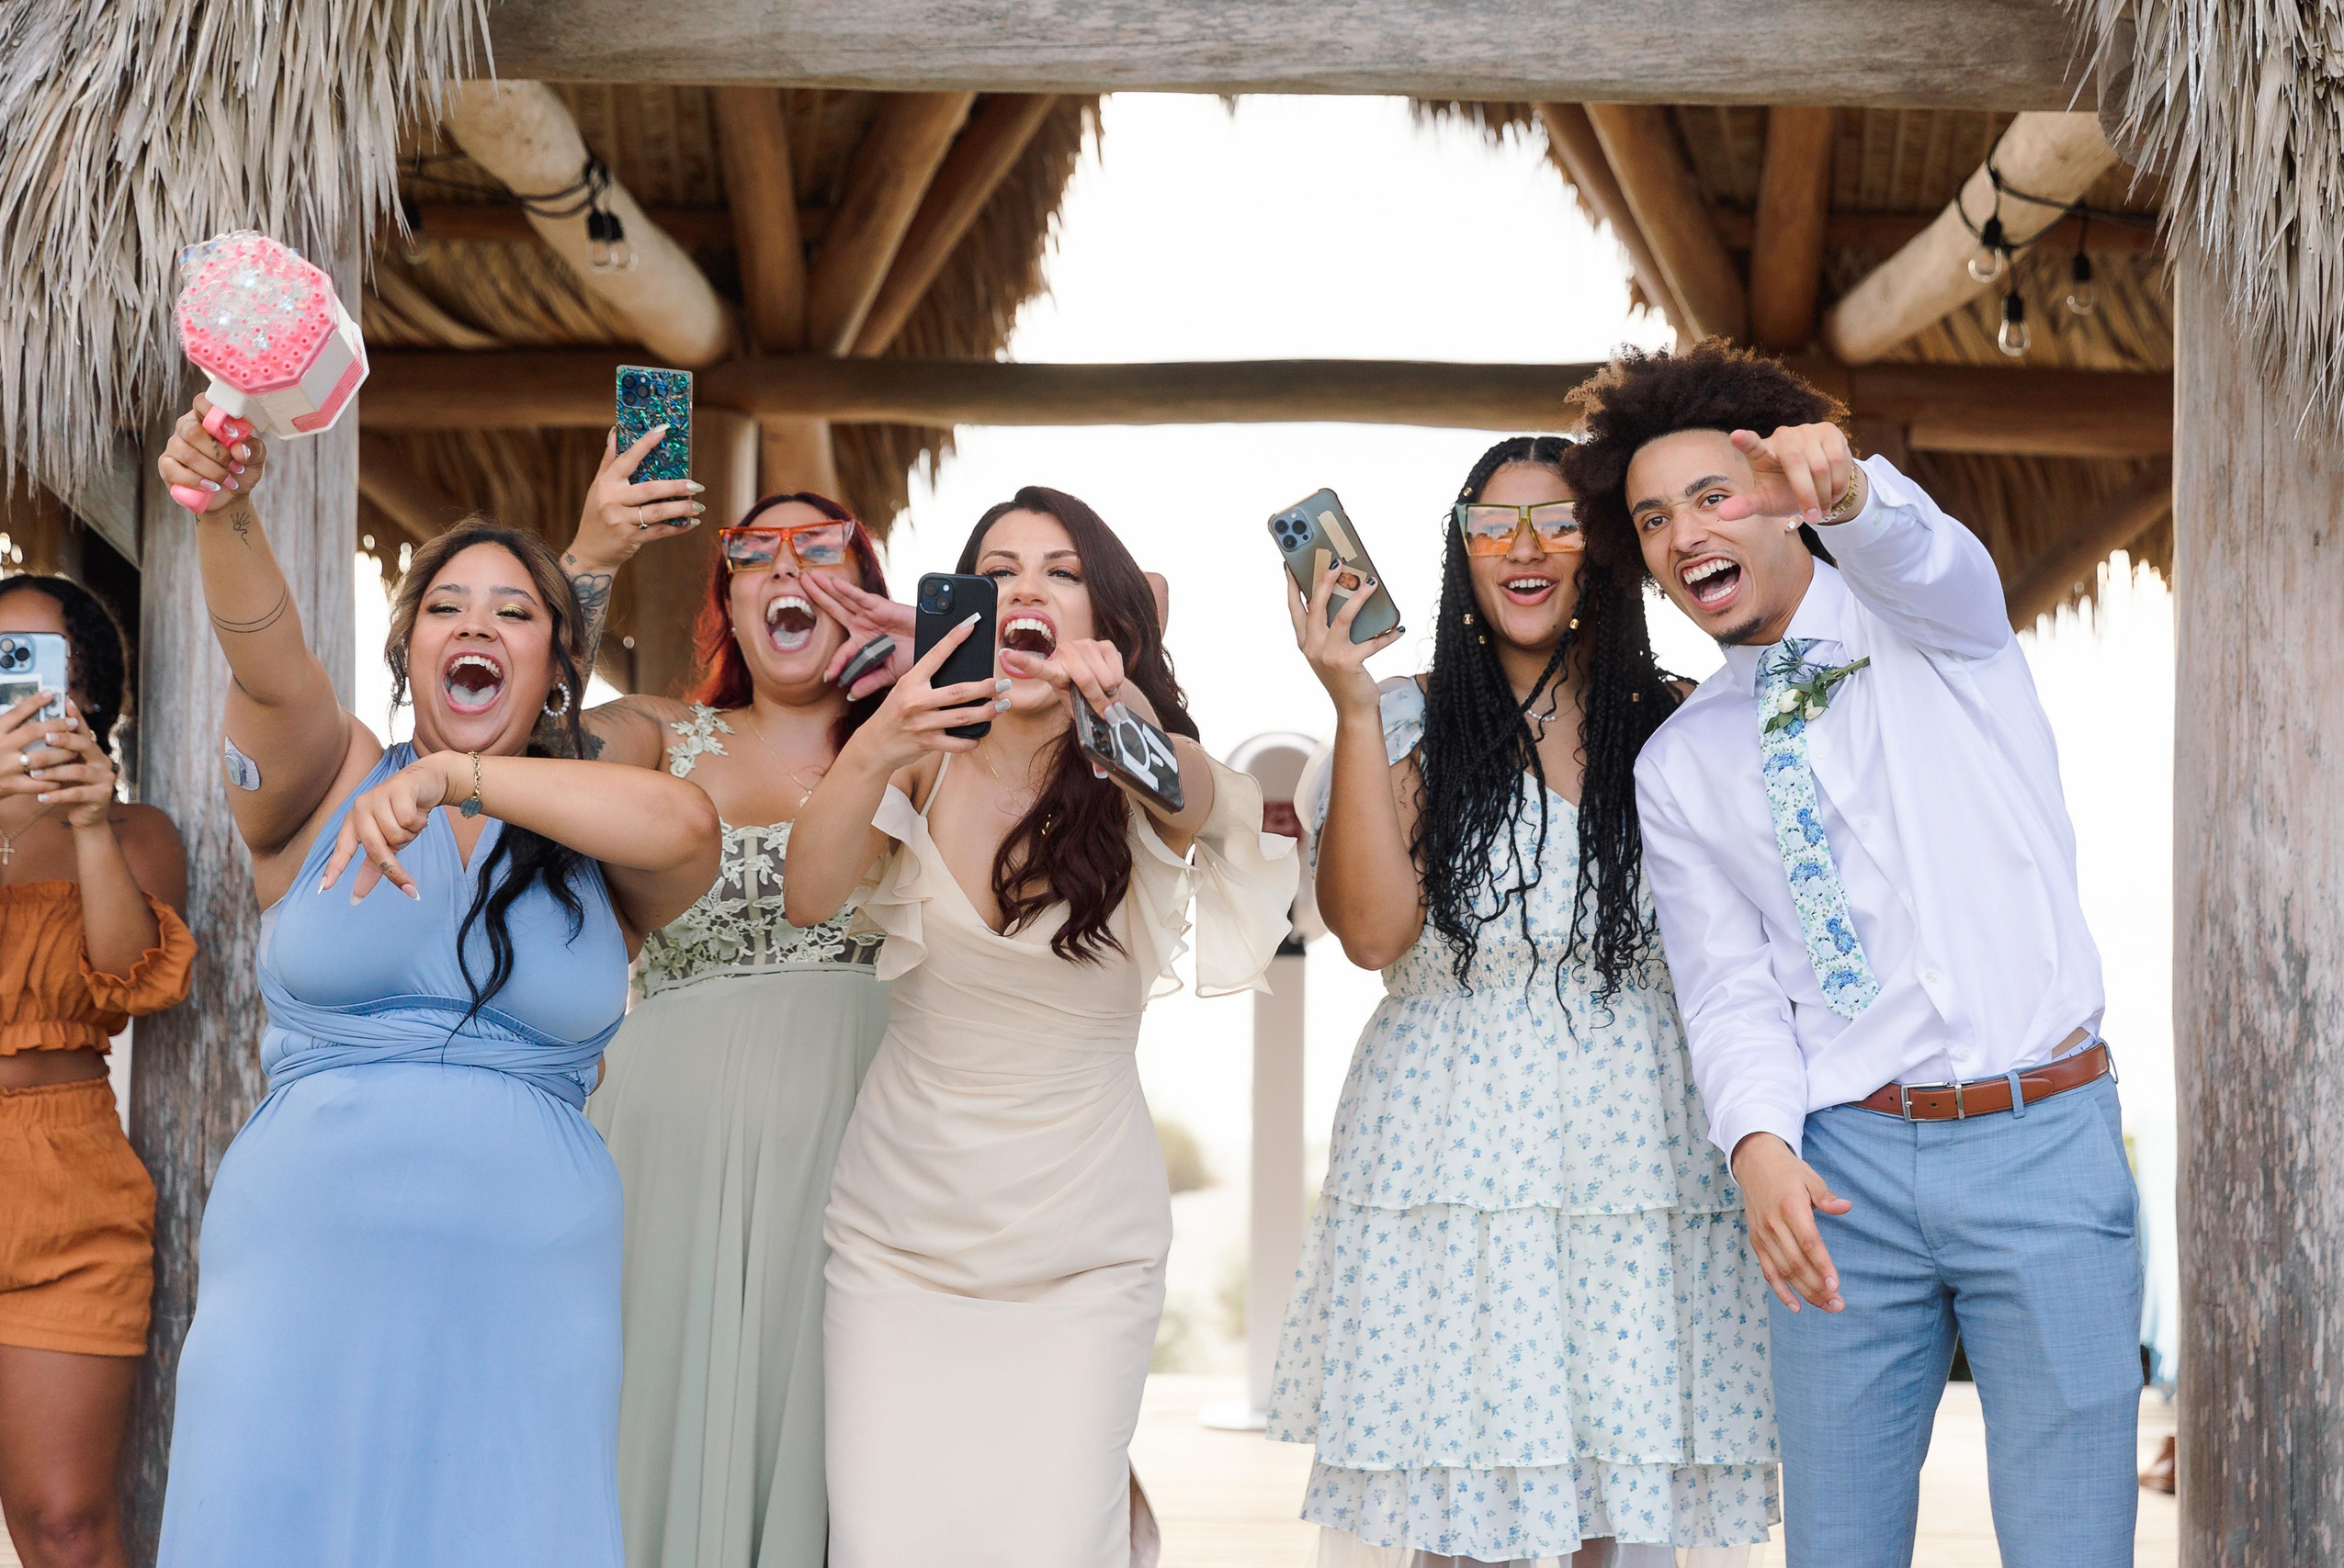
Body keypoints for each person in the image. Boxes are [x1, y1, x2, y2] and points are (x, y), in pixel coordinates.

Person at [1570, 343, 2142, 1566]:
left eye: (1714, 494)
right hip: (1845, 1170)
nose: (1684, 535)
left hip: (2044, 1140)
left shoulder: (1937, 624)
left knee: (2073, 1546)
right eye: (1653, 517)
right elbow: (1729, 988)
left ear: (1782, 488)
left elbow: (1924, 554)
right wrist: (1761, 1143)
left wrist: (1854, 497)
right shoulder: (1679, 766)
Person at [150, 398, 723, 1568]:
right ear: (408, 649)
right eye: (446, 608)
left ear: (561, 666)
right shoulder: (331, 775)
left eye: (517, 613)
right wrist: (225, 505)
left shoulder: (590, 823)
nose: (478, 626)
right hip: (304, 1252)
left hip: (528, 1273)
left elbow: (687, 827)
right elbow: (266, 655)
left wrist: (466, 778)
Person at [1263, 438, 1780, 1568]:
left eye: (1557, 522)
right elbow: (1371, 933)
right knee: (1456, 1508)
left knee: (1608, 1506)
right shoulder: (1403, 722)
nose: (1526, 548)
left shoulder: (1682, 719)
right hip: (1452, 1147)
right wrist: (1349, 702)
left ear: (1601, 548)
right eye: (1494, 524)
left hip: (1634, 1155)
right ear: (1461, 547)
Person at [784, 486, 1298, 1568]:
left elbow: (1204, 799)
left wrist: (1117, 712)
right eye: (999, 567)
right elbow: (809, 893)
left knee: (1058, 1540)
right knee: (887, 1544)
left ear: (1101, 619)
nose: (1026, 585)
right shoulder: (917, 755)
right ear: (966, 606)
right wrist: (880, 734)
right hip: (895, 1243)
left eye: (1061, 571)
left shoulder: (1137, 768)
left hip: (1082, 1250)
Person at [551, 428, 905, 1568]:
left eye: (824, 548)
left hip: (875, 1131)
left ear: (872, 593)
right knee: (661, 1408)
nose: (792, 569)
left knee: (856, 1428)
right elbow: (528, 733)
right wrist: (592, 554)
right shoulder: (659, 733)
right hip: (672, 1139)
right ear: (727, 601)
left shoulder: (932, 744)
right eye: (758, 553)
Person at [0, 575, 192, 1568]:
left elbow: (126, 985)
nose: (17, 684)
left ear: (89, 685)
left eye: (38, 659)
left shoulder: (133, 832)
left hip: (68, 1183)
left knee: (67, 1527)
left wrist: (83, 824)